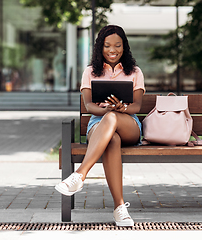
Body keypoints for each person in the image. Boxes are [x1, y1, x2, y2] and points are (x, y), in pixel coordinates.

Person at [55, 25, 145, 227]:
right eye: (107, 45)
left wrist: (122, 108)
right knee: (111, 139)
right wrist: (106, 110)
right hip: (99, 122)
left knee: (113, 118)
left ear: (124, 47)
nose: (112, 50)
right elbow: (88, 106)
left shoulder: (135, 72)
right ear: (100, 47)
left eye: (118, 45)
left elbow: (137, 106)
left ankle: (80, 175)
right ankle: (119, 208)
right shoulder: (90, 72)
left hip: (128, 123)